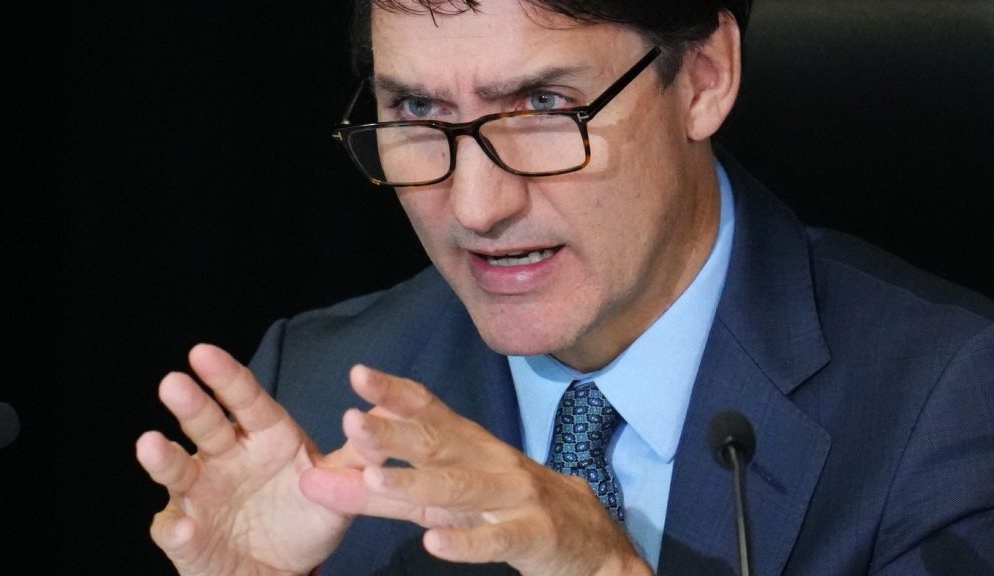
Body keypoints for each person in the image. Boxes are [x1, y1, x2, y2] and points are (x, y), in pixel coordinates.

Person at [135, 0, 994, 574]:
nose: (477, 206)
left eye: (544, 105)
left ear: (704, 78)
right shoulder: (317, 392)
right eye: (419, 114)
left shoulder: (946, 401)